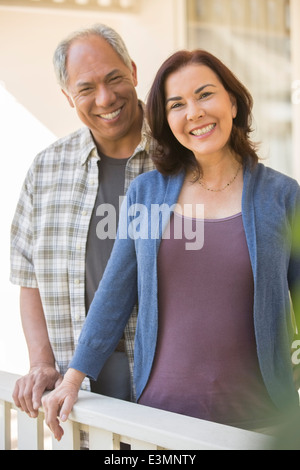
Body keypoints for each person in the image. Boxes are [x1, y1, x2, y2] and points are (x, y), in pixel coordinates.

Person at [42, 49, 300, 443]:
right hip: (158, 424)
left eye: (205, 95)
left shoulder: (281, 196)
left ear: (232, 101)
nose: (193, 112)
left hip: (261, 425)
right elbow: (115, 292)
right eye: (177, 104)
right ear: (167, 121)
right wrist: (74, 377)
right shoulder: (147, 192)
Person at [10, 24, 157, 421]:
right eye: (86, 88)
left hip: (169, 383)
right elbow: (29, 278)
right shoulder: (45, 169)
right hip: (81, 392)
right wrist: (41, 361)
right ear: (67, 97)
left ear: (134, 71)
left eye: (114, 79)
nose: (105, 98)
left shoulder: (181, 156)